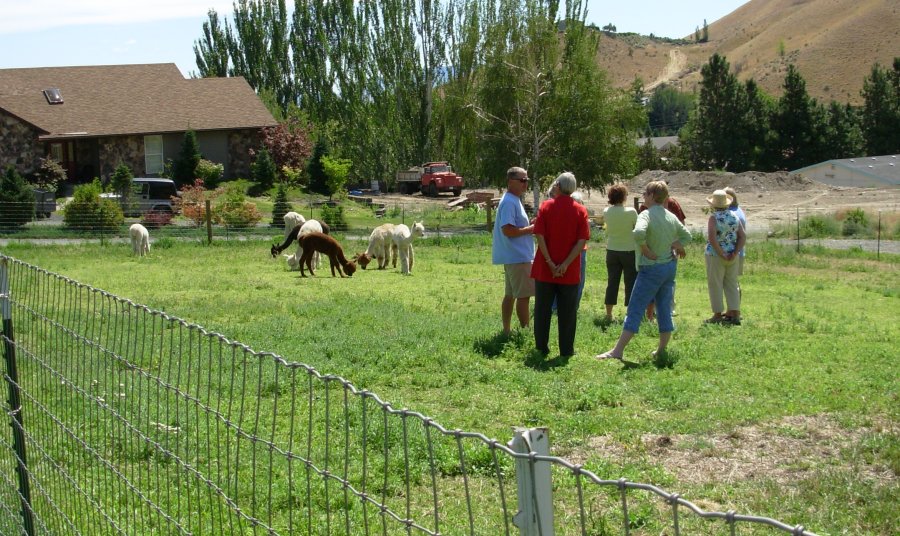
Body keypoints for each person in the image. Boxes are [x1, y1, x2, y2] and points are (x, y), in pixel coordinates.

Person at [595, 180, 691, 360]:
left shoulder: (646, 214)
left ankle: (617, 351)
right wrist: (675, 245)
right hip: (669, 268)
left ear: (652, 196)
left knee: (635, 307)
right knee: (664, 308)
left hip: (651, 268)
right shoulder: (670, 216)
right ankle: (661, 350)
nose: (643, 197)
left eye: (645, 194)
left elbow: (638, 233)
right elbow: (687, 236)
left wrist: (645, 250)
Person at [531, 172, 590, 357]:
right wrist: (565, 264)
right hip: (569, 270)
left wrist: (550, 261)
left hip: (545, 268)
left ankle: (541, 347)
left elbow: (539, 234)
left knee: (542, 309)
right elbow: (582, 241)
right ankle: (566, 350)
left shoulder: (546, 206)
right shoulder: (580, 210)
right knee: (568, 312)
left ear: (557, 185)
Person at [492, 166, 535, 335]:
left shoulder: (512, 199)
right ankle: (525, 332)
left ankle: (506, 330)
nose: (525, 184)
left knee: (510, 295)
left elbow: (513, 226)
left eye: (527, 180)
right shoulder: (510, 202)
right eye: (522, 180)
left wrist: (529, 225)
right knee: (523, 296)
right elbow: (508, 230)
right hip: (518, 257)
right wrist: (531, 229)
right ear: (511, 181)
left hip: (513, 256)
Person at [639, 183, 685, 321]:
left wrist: (677, 246)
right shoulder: (645, 208)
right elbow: (641, 231)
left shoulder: (672, 204)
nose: (644, 196)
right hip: (652, 251)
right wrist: (645, 249)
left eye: (646, 193)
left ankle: (667, 310)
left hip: (668, 250)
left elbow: (681, 225)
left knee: (667, 282)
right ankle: (651, 312)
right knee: (652, 282)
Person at [704, 189, 746, 325]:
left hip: (715, 256)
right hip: (732, 255)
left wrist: (721, 253)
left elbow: (712, 238)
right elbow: (742, 236)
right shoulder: (734, 216)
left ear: (713, 204)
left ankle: (717, 314)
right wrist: (735, 252)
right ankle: (735, 313)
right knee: (732, 284)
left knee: (715, 284)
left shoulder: (713, 218)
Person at [602, 183, 638, 323]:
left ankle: (609, 314)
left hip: (612, 250)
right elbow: (637, 228)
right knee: (630, 283)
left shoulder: (607, 211)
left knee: (612, 282)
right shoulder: (631, 212)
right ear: (623, 196)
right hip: (629, 251)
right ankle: (630, 314)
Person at [570, 191, 590, 311]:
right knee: (579, 279)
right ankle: (573, 306)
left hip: (576, 250)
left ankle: (572, 306)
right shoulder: (581, 214)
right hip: (578, 250)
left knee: (578, 279)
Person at [724, 187, 747, 278]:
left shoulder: (731, 214)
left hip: (731, 252)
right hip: (739, 252)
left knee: (729, 281)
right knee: (733, 281)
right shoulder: (739, 210)